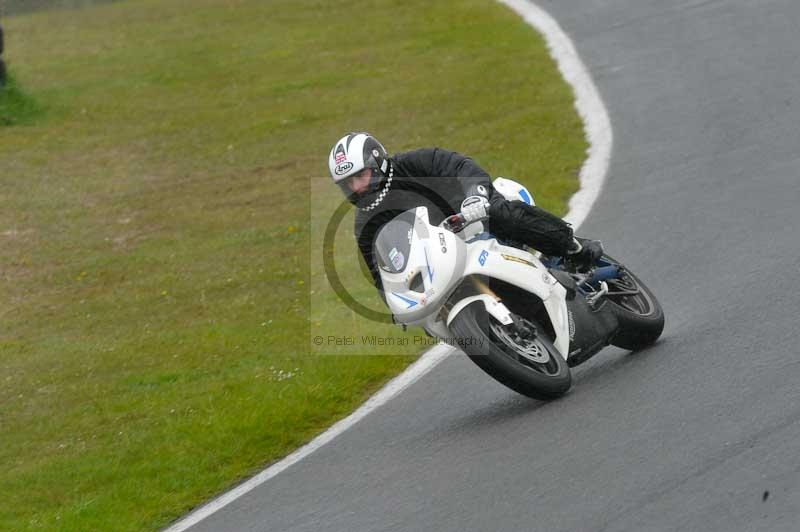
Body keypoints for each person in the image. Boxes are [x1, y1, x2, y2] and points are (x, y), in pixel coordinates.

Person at [327, 132, 603, 295]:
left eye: (360, 175)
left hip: (475, 217)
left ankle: (573, 248)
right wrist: (396, 299)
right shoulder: (366, 222)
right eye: (348, 183)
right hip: (447, 257)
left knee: (500, 213)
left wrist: (475, 195)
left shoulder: (414, 162)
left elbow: (459, 165)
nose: (357, 187)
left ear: (377, 161)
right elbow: (380, 271)